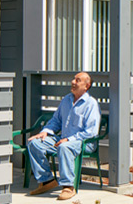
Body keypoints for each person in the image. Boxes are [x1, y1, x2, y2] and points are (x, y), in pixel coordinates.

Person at [27, 72, 101, 200]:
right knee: (35, 143)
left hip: (84, 142)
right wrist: (46, 131)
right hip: (63, 139)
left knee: (64, 147)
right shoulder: (66, 99)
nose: (73, 82)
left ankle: (68, 186)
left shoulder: (91, 104)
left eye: (77, 80)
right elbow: (56, 120)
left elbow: (91, 132)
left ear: (86, 86)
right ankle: (46, 181)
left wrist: (68, 139)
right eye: (73, 79)